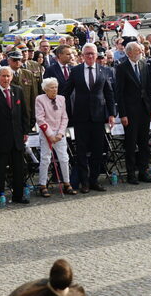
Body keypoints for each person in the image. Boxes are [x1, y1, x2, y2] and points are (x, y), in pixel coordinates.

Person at [61, 43, 115, 193]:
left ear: (96, 55)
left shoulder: (104, 70)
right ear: (82, 56)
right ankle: (84, 182)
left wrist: (112, 113)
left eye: (92, 53)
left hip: (98, 117)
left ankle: (94, 180)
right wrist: (57, 108)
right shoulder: (76, 71)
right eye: (87, 54)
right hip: (81, 117)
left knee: (98, 151)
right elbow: (66, 92)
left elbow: (109, 94)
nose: (90, 56)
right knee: (82, 152)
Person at [0, 67, 29, 206]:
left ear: (12, 77)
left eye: (8, 76)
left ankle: (18, 195)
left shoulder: (18, 91)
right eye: (3, 76)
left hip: (17, 138)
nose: (6, 79)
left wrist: (25, 132)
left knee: (19, 169)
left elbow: (24, 114)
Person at [114, 42, 151, 184]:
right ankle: (131, 173)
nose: (141, 52)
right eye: (138, 50)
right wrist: (123, 114)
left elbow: (148, 88)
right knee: (131, 144)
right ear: (129, 53)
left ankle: (144, 171)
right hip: (130, 112)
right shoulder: (121, 68)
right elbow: (119, 93)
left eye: (141, 50)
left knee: (144, 143)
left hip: (144, 110)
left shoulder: (144, 64)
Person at [35, 78, 76, 197]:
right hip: (47, 132)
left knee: (64, 158)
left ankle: (67, 183)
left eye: (56, 87)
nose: (54, 90)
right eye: (52, 87)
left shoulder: (61, 99)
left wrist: (60, 133)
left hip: (59, 133)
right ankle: (42, 185)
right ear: (45, 89)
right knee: (45, 158)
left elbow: (65, 117)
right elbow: (40, 118)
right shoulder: (40, 99)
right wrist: (50, 135)